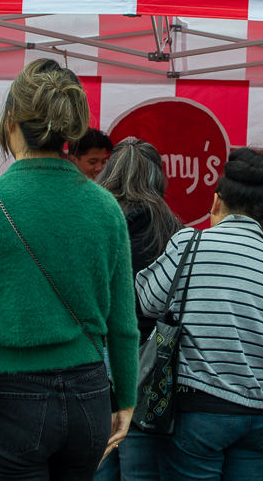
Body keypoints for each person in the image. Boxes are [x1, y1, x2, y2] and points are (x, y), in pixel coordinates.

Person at [0, 58, 140, 481]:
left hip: (13, 398)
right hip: (90, 396)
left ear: (11, 119)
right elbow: (123, 323)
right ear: (70, 130)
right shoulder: (106, 208)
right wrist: (126, 399)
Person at [136, 147, 263, 481]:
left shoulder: (188, 244)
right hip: (262, 418)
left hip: (199, 412)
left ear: (216, 202)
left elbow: (148, 301)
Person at [94, 138, 183, 481]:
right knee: (140, 469)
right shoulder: (171, 228)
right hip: (153, 360)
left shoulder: (94, 221)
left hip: (99, 354)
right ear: (158, 178)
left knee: (99, 463)